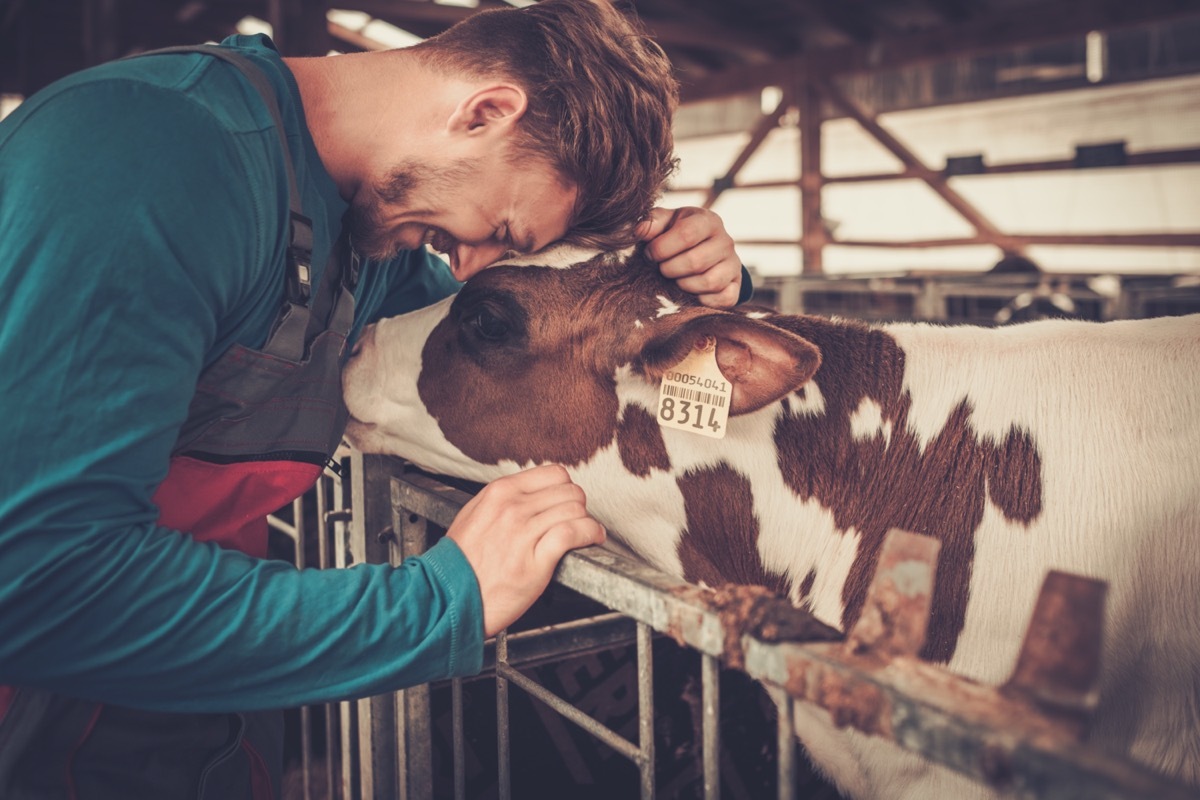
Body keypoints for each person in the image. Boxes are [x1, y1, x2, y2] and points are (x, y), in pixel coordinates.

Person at [0, 0, 747, 796]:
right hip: (40, 720)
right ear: (486, 112)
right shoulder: (144, 155)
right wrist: (438, 602)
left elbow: (514, 349)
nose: (469, 266)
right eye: (499, 225)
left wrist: (697, 297)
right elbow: (40, 580)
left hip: (197, 702)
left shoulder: (368, 236)